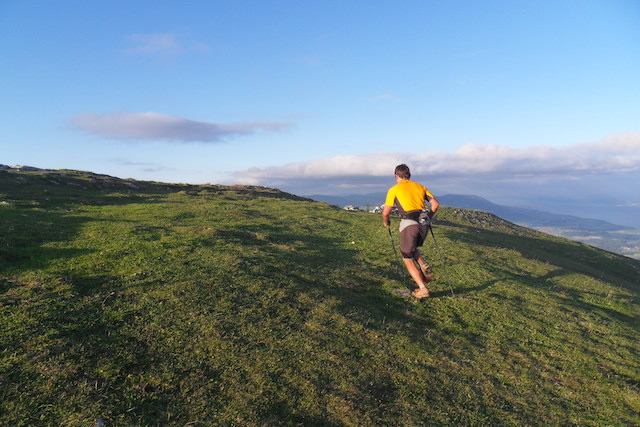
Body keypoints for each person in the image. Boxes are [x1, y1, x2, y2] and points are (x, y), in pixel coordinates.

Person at [382, 164, 439, 299]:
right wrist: (428, 218)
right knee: (411, 248)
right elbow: (435, 204)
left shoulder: (394, 190)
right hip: (424, 223)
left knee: (407, 258)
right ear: (409, 175)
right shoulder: (420, 187)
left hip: (409, 224)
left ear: (396, 176)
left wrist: (386, 222)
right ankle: (423, 265)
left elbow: (385, 213)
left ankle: (422, 288)